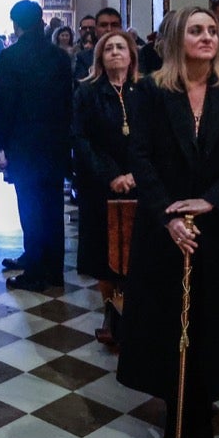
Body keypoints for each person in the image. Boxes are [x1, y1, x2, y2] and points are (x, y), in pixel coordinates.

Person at [118, 6, 219, 438]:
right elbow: (141, 157)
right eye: (196, 30)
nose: (206, 37)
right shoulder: (151, 91)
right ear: (177, 39)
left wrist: (211, 201)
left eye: (213, 30)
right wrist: (170, 217)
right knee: (168, 320)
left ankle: (202, 412)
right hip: (166, 228)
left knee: (214, 319)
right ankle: (175, 409)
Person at [0, 0, 73, 291]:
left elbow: (4, 104)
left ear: (16, 24)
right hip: (55, 144)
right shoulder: (60, 57)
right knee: (52, 207)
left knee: (30, 207)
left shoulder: (12, 57)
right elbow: (68, 103)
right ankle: (53, 269)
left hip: (24, 144)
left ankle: (37, 272)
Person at [71, 30, 139, 282]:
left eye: (120, 47)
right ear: (100, 57)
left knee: (136, 254)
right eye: (109, 49)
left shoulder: (144, 90)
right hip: (99, 182)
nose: (115, 53)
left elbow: (152, 138)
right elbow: (81, 139)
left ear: (131, 55)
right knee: (103, 256)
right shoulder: (87, 92)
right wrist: (111, 176)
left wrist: (134, 174)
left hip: (137, 181)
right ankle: (110, 311)